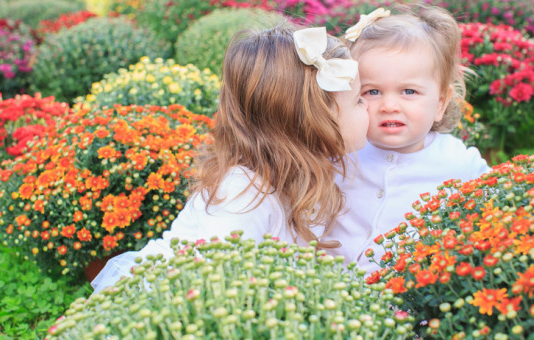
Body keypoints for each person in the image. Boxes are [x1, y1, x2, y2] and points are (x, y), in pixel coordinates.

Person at [91, 24, 369, 293]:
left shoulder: (306, 172)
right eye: (359, 99)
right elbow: (210, 286)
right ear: (313, 122)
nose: (370, 106)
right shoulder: (245, 195)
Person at [324, 4, 490, 274]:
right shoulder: (341, 152)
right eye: (373, 91)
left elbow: (498, 202)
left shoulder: (459, 162)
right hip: (332, 294)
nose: (389, 105)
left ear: (440, 103)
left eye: (409, 91)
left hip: (411, 298)